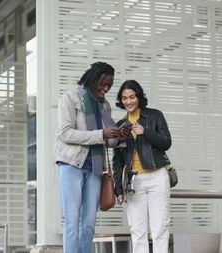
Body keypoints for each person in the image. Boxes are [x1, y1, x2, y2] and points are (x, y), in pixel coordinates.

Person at [55, 62, 128, 253]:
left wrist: (119, 138)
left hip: (95, 168)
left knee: (88, 223)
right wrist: (101, 134)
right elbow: (66, 134)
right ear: (92, 78)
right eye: (103, 83)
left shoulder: (105, 105)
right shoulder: (70, 98)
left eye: (110, 84)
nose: (106, 88)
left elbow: (106, 141)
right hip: (71, 164)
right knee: (72, 220)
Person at [112, 80, 172, 253]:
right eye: (124, 98)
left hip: (157, 177)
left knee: (160, 228)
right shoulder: (120, 125)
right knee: (137, 231)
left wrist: (145, 131)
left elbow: (166, 142)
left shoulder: (154, 116)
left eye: (132, 97)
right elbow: (117, 160)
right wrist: (118, 188)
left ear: (138, 97)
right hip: (134, 181)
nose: (128, 101)